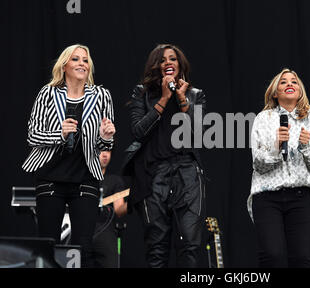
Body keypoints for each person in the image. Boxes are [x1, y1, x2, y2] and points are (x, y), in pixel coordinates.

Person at [22, 44, 116, 267]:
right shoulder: (48, 93)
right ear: (64, 65)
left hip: (85, 178)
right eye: (76, 59)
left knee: (84, 246)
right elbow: (32, 135)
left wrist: (106, 136)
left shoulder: (102, 95)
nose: (82, 63)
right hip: (51, 177)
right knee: (47, 244)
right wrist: (60, 134)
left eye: (85, 60)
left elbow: (104, 143)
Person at [123, 44, 206, 268]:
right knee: (156, 247)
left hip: (187, 172)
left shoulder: (194, 95)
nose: (168, 62)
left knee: (189, 243)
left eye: (173, 59)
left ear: (180, 65)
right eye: (162, 60)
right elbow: (138, 131)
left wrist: (181, 100)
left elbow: (198, 136)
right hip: (153, 174)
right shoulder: (142, 92)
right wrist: (163, 99)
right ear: (156, 66)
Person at [248, 68, 310, 267]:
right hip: (267, 196)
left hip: (300, 196)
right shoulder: (263, 119)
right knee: (271, 255)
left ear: (300, 90)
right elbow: (258, 163)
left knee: (301, 258)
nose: (289, 84)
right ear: (275, 92)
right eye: (283, 82)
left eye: (294, 81)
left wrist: (306, 146)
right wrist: (276, 146)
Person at [92, 150, 128, 268]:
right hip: (82, 230)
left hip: (106, 232)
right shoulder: (81, 178)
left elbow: (119, 210)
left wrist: (132, 202)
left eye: (108, 151)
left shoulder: (115, 181)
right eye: (101, 150)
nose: (105, 154)